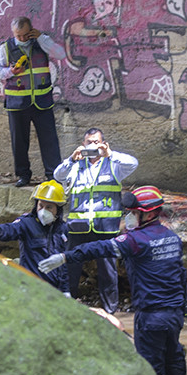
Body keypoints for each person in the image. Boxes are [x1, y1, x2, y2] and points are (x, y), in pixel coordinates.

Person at [39, 186, 187, 375]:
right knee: (174, 362)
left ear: (150, 214)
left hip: (150, 316)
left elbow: (100, 247)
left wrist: (66, 256)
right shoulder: (173, 239)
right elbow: (181, 275)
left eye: (134, 213)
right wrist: (184, 307)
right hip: (175, 315)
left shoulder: (136, 241)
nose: (129, 217)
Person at [53, 128, 137, 315]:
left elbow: (133, 163)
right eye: (88, 142)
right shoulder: (76, 166)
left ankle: (110, 311)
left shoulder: (113, 164)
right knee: (71, 267)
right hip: (78, 228)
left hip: (105, 229)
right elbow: (57, 175)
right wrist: (71, 159)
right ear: (83, 145)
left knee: (108, 271)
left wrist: (110, 154)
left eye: (96, 142)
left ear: (103, 144)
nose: (92, 145)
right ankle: (66, 306)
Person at [0, 16, 65, 187]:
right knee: (19, 141)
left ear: (31, 30)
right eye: (19, 36)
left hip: (42, 101)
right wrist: (11, 71)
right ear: (13, 33)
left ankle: (53, 177)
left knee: (50, 141)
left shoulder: (41, 42)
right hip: (17, 103)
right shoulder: (5, 47)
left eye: (26, 35)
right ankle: (23, 175)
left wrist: (40, 37)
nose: (23, 39)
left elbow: (60, 53)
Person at [0, 180, 69, 294]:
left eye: (49, 207)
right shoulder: (26, 223)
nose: (43, 211)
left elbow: (65, 264)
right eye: (40, 206)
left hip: (54, 289)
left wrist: (65, 290)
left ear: (58, 209)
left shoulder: (63, 229)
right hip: (30, 286)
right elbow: (10, 230)